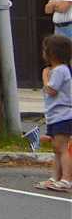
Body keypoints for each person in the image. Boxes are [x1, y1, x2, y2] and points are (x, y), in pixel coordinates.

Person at [37, 33, 72, 193]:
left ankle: (66, 179)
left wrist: (45, 77)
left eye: (45, 49)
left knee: (62, 147)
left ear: (52, 53)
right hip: (55, 115)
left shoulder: (60, 70)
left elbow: (51, 90)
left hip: (63, 115)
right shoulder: (59, 70)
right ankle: (55, 177)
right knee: (56, 148)